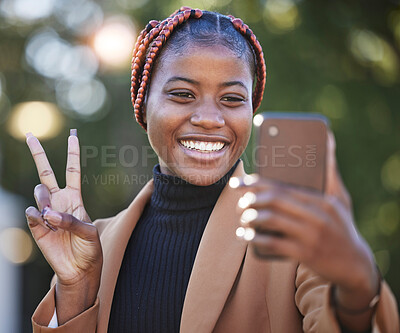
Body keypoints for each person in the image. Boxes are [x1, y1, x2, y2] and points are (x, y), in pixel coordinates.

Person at [25, 7, 398, 333]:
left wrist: (357, 288)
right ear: (143, 104)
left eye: (232, 99)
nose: (208, 118)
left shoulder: (290, 229)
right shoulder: (96, 245)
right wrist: (75, 289)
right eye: (183, 94)